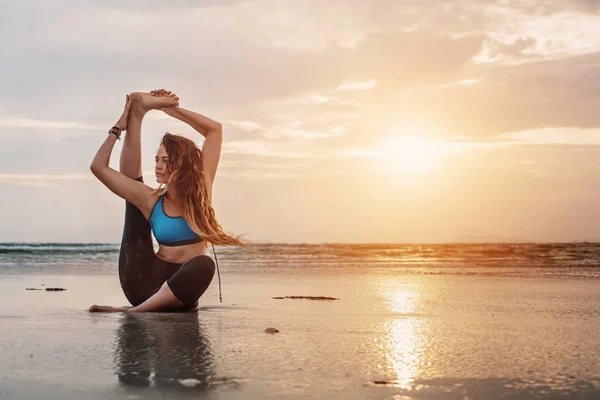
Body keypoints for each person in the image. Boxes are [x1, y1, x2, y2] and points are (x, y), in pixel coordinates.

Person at [89, 89, 242, 312]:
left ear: (181, 163)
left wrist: (168, 108)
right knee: (134, 200)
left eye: (165, 160)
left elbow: (214, 130)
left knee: (204, 264)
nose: (158, 166)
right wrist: (117, 128)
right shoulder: (151, 199)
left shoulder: (203, 189)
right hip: (143, 282)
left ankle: (131, 313)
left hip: (181, 289)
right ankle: (137, 115)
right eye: (156, 160)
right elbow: (98, 167)